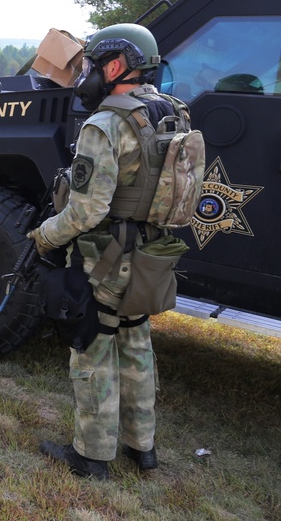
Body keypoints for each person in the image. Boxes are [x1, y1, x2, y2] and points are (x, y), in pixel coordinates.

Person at [29, 23, 178, 480]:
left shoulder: (106, 123)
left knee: (92, 347)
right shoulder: (173, 113)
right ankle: (143, 446)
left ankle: (92, 455)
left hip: (106, 258)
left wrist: (43, 237)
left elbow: (86, 211)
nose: (88, 74)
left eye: (94, 64)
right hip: (151, 254)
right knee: (135, 342)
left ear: (116, 66)